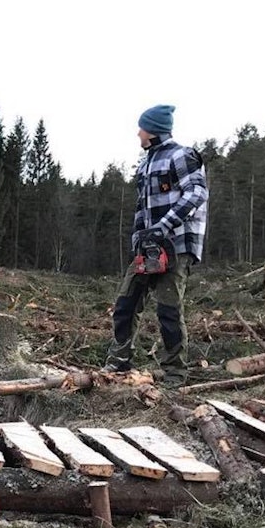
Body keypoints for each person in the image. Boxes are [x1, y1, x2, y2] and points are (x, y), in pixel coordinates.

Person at [102, 104, 208, 386]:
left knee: (168, 309)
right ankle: (118, 362)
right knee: (126, 303)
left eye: (142, 128)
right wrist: (139, 235)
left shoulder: (182, 155)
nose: (138, 133)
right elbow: (142, 206)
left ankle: (175, 373)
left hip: (177, 245)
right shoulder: (145, 164)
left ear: (152, 130)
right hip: (149, 247)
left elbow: (196, 193)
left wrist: (164, 226)